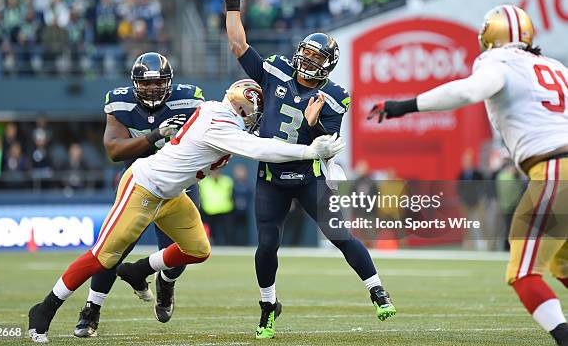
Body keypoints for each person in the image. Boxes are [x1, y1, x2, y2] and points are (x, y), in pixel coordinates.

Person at [28, 79, 345, 343]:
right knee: (103, 257)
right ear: (243, 108)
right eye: (253, 114)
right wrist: (308, 150)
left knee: (198, 249)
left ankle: (141, 270)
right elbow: (260, 148)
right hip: (144, 187)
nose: (255, 120)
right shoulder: (221, 122)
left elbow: (262, 142)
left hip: (172, 195)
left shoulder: (219, 113)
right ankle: (45, 308)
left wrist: (318, 145)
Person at [368, 5, 568, 346]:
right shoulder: (556, 67)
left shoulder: (498, 61)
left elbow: (467, 92)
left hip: (555, 169)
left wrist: (403, 106)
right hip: (557, 167)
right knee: (562, 266)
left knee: (522, 274)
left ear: (491, 37)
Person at [219, 0, 396, 340]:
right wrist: (232, 2)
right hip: (271, 177)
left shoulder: (334, 97)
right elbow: (238, 44)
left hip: (309, 176)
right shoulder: (277, 71)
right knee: (267, 244)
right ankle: (268, 306)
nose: (306, 61)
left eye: (316, 58)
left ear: (328, 64)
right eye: (306, 53)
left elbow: (329, 145)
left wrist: (315, 126)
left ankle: (377, 289)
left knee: (340, 234)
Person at [73, 52, 205, 337]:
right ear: (135, 84)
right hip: (140, 184)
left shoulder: (191, 99)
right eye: (146, 84)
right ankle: (91, 311)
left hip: (179, 185)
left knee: (180, 251)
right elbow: (114, 150)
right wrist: (155, 134)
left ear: (170, 83)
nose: (152, 89)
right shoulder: (120, 103)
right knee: (112, 249)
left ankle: (165, 283)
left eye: (159, 83)